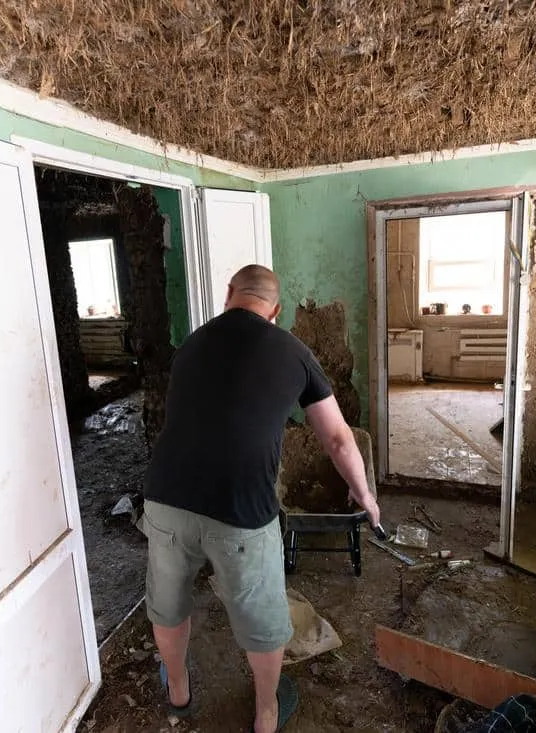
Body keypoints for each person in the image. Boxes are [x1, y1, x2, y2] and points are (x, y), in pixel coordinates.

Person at [141, 264, 381, 733]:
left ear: (229, 294)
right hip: (241, 510)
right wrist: (363, 493)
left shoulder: (191, 345)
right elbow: (337, 439)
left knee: (168, 604)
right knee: (261, 618)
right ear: (276, 310)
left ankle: (179, 692)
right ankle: (266, 712)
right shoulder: (293, 352)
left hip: (167, 498)